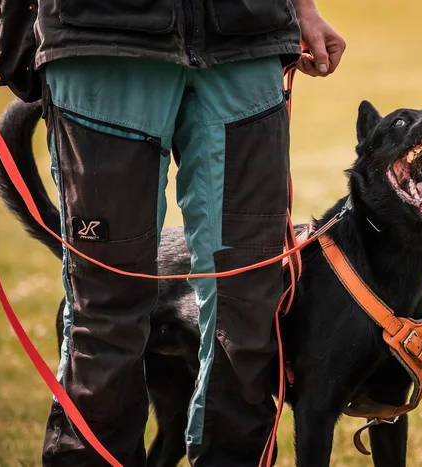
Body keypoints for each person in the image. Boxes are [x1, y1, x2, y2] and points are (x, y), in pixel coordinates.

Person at [29, 0, 345, 465]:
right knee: (108, 307)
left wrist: (302, 8)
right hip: (102, 36)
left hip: (247, 39)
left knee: (250, 307)